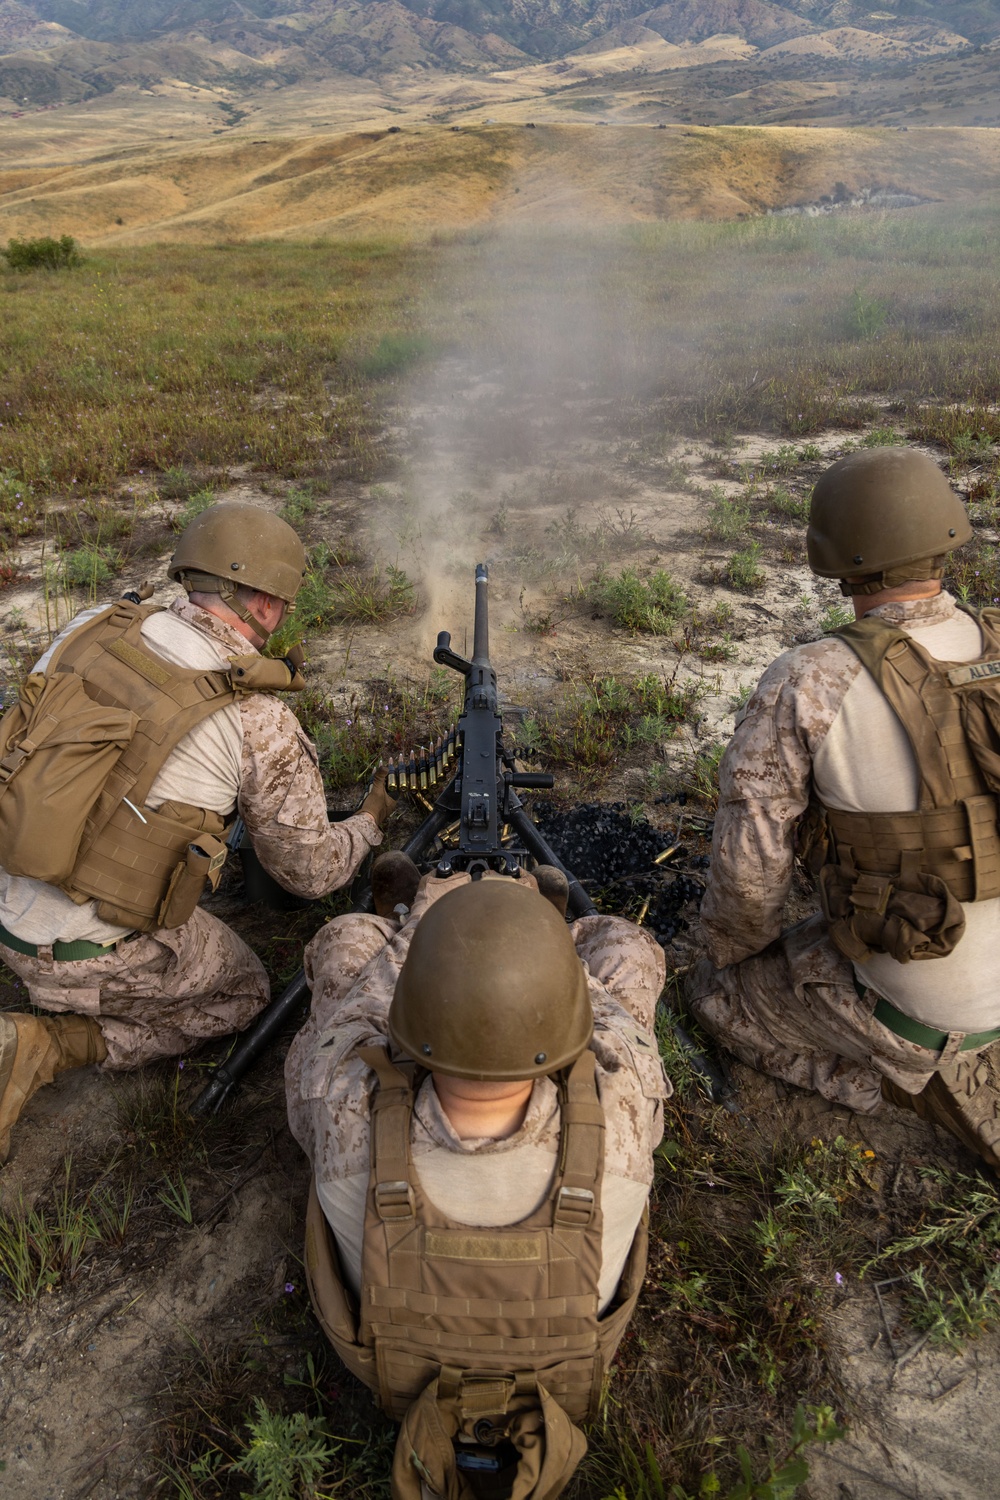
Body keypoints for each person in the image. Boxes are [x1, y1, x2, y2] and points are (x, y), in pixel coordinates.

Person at [0, 502, 394, 1162]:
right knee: (240, 995)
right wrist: (370, 823)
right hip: (80, 953)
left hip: (7, 891)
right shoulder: (257, 719)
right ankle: (48, 1044)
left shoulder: (92, 624)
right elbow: (311, 873)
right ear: (265, 603)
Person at [286, 859, 669, 1499]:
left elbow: (356, 1019)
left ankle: (417, 916)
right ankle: (537, 924)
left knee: (347, 945)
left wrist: (427, 931)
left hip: (398, 1368)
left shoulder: (343, 1105)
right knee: (627, 951)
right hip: (561, 1371)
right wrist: (542, 950)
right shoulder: (621, 1108)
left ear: (415, 1023)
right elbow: (618, 1028)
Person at [687, 445, 1000, 1167]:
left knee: (716, 997)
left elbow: (747, 880)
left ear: (839, 562)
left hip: (926, 1015)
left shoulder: (811, 679)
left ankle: (892, 1082)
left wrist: (734, 954)